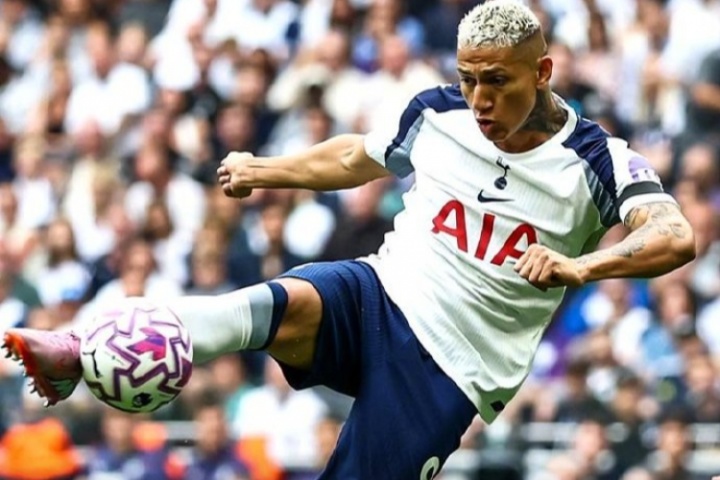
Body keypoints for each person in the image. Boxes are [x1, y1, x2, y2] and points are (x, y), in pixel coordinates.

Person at [2, 1, 696, 479]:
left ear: (541, 73)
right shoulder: (437, 114)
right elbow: (355, 157)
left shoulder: (597, 160)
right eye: (468, 80)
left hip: (451, 368)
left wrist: (582, 266)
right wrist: (264, 169)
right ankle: (80, 351)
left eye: (497, 82)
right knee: (277, 304)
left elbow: (674, 234)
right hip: (380, 293)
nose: (480, 100)